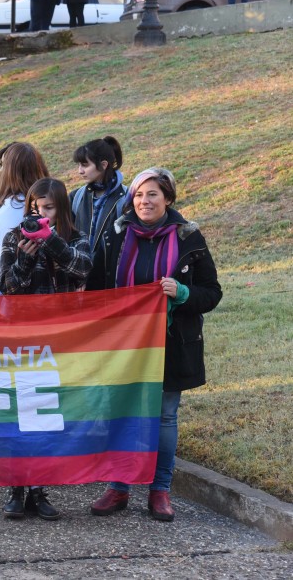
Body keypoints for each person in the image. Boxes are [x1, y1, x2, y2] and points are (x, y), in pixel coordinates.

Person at [90, 168, 222, 521]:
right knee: (121, 413)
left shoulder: (189, 237)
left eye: (152, 195)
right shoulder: (115, 234)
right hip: (123, 346)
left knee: (164, 417)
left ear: (168, 198)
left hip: (172, 344)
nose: (144, 201)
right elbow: (95, 289)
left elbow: (212, 293)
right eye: (138, 195)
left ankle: (159, 491)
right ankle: (118, 487)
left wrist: (182, 293)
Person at [0, 177, 92, 520]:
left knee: (50, 413)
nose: (40, 215)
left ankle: (39, 488)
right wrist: (24, 259)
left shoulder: (76, 238)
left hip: (63, 339)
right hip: (24, 338)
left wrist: (50, 240)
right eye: (35, 209)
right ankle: (16, 488)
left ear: (62, 209)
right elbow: (7, 288)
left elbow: (81, 269)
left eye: (48, 208)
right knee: (21, 413)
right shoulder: (14, 238)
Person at [0, 142, 50, 296]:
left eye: (4, 166)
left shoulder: (19, 209)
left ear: (11, 171)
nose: (0, 171)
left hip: (3, 303)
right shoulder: (17, 205)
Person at [69, 136, 126, 290]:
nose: (80, 171)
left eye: (85, 165)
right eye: (79, 165)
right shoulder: (76, 196)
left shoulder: (126, 198)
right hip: (80, 282)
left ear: (103, 165)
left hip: (111, 283)